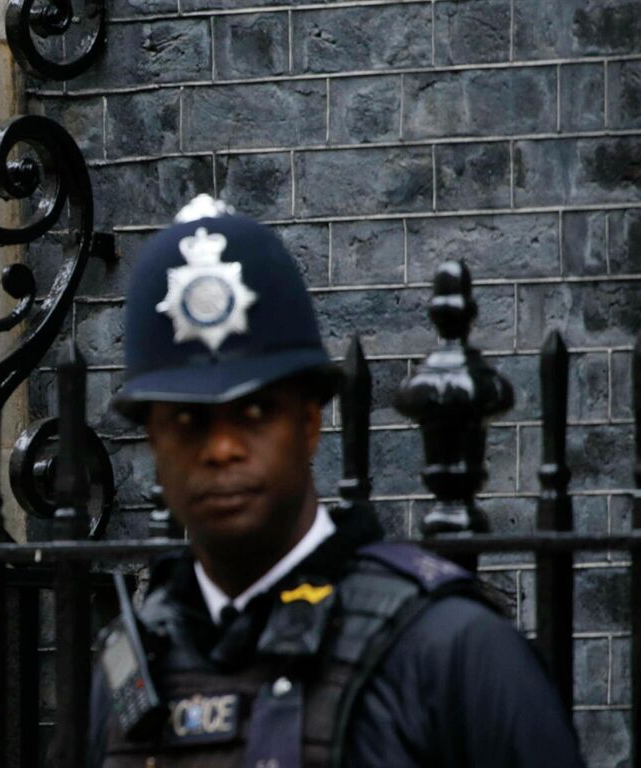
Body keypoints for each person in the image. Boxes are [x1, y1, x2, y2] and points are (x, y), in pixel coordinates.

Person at [85, 195, 584, 767]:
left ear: (308, 423)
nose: (221, 448)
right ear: (152, 438)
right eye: (188, 420)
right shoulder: (127, 677)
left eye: (254, 413)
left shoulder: (452, 652)